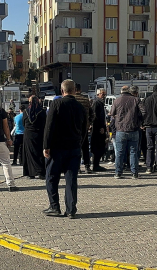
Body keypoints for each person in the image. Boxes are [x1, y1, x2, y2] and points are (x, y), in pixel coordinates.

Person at [42, 79, 87, 218]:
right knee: (71, 179)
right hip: (74, 148)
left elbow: (49, 126)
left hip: (57, 148)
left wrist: (46, 146)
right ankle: (71, 209)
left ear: (62, 91)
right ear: (74, 90)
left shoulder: (56, 103)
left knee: (51, 177)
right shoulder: (81, 107)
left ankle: (54, 206)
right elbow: (84, 128)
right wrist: (80, 143)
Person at [110, 86, 146, 179]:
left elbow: (112, 113)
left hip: (120, 130)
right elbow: (144, 112)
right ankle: (134, 173)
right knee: (134, 152)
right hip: (134, 129)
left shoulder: (117, 100)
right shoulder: (136, 99)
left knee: (120, 152)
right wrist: (139, 121)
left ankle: (118, 173)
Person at [22, 96, 47, 179]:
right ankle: (40, 172)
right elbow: (45, 123)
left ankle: (30, 173)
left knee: (29, 153)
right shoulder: (41, 111)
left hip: (28, 134)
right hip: (39, 134)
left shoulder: (25, 111)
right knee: (39, 153)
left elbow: (23, 123)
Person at [74, 83, 94, 174]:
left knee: (75, 147)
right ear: (80, 90)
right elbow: (92, 114)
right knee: (85, 147)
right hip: (84, 127)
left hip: (73, 127)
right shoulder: (86, 100)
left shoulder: (72, 99)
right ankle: (87, 166)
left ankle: (77, 166)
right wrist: (89, 123)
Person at [91, 88, 107, 172]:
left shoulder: (101, 103)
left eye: (105, 94)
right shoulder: (96, 103)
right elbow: (95, 116)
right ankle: (95, 165)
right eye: (102, 94)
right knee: (97, 147)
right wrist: (100, 127)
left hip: (101, 127)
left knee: (101, 146)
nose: (104, 96)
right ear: (98, 94)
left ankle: (97, 164)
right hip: (97, 128)